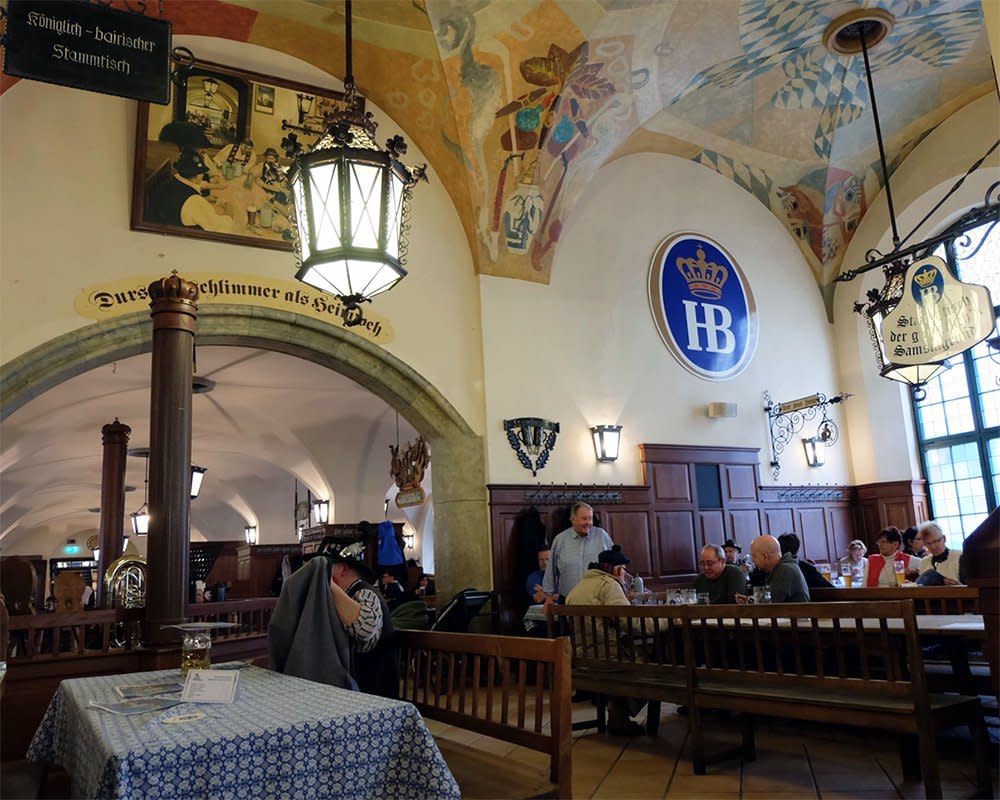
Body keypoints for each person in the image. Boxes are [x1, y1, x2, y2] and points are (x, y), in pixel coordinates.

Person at [566, 545, 645, 736]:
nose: (625, 574)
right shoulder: (609, 586)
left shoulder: (576, 588)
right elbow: (631, 623)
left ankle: (618, 713)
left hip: (581, 658)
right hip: (607, 659)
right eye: (624, 570)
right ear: (617, 569)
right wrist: (666, 624)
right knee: (651, 662)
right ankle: (619, 714)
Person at [328, 541, 399, 698]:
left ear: (344, 568)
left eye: (328, 566)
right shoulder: (349, 593)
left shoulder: (364, 593)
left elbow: (364, 629)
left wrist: (330, 585)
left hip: (375, 693)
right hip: (358, 689)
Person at [542, 502, 614, 601]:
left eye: (590, 518)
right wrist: (548, 597)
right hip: (567, 600)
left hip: (597, 599)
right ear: (573, 519)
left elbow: (616, 565)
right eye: (584, 518)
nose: (588, 522)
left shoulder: (602, 536)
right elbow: (551, 571)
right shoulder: (560, 540)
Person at [737, 535, 810, 603]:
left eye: (754, 556)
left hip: (794, 616)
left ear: (765, 556)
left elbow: (771, 604)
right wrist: (748, 600)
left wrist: (749, 602)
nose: (752, 560)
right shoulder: (779, 568)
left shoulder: (784, 570)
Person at [916, 521, 965, 585]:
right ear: (924, 544)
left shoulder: (959, 556)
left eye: (936, 541)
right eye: (929, 543)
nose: (933, 546)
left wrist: (958, 585)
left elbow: (971, 587)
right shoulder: (924, 562)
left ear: (944, 539)